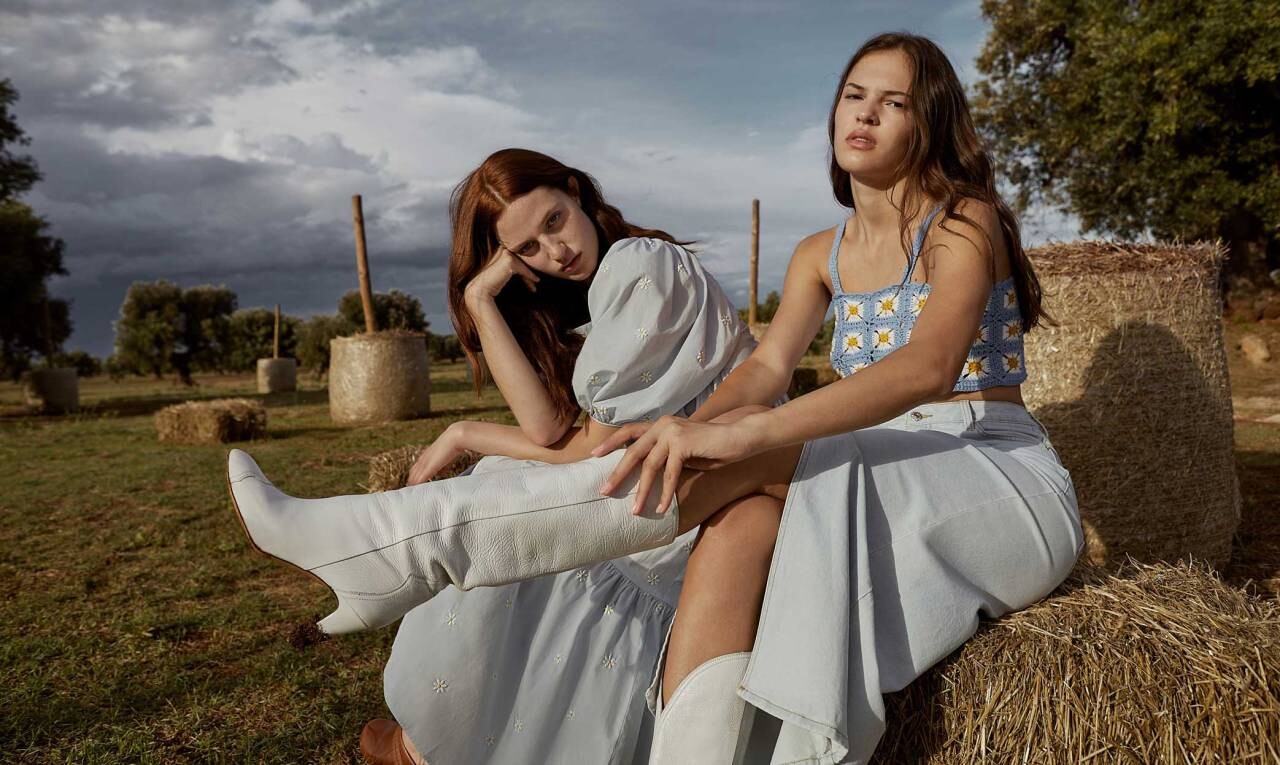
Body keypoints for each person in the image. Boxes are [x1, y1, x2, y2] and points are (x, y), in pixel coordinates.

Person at [228, 31, 1083, 763]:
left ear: (929, 120)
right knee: (739, 520)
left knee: (760, 456)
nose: (864, 113)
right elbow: (763, 372)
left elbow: (928, 368)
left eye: (893, 102)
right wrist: (685, 430)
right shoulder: (817, 252)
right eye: (854, 94)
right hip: (886, 463)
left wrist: (742, 436)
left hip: (987, 464)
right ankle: (412, 557)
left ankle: (401, 548)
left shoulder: (963, 220)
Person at [231, 147, 785, 765]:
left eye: (554, 220)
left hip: (712, 492)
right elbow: (547, 429)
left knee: (510, 484)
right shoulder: (593, 290)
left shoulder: (641, 263)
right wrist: (480, 300)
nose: (556, 251)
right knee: (516, 480)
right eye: (528, 248)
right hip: (678, 488)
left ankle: (414, 699)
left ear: (575, 191)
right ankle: (429, 733)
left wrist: (466, 433)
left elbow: (591, 448)